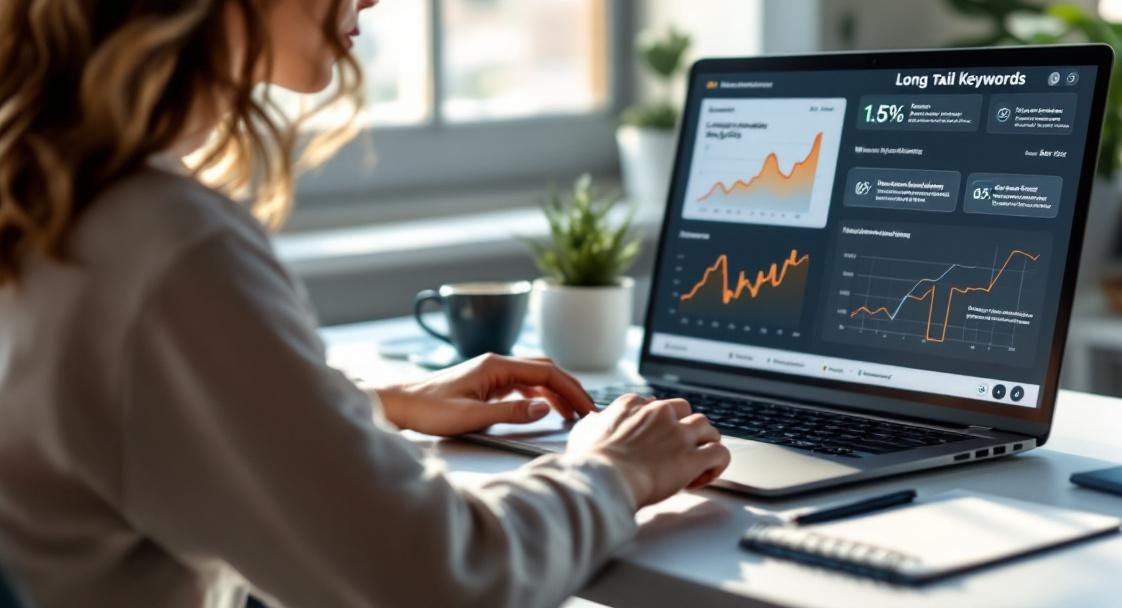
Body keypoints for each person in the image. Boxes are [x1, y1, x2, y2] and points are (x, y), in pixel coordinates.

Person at [0, 1, 731, 607]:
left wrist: (368, 404)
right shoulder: (166, 251)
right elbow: (435, 577)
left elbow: (127, 412)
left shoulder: (49, 195)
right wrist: (613, 470)